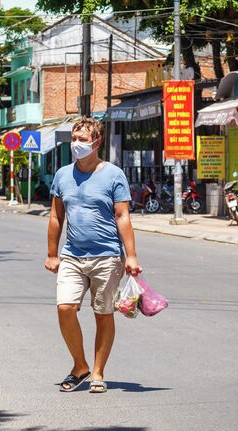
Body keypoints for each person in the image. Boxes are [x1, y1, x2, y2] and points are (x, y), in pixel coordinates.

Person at [44, 117, 142, 394]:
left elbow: (122, 216)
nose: (76, 144)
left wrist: (131, 256)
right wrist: (52, 254)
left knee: (103, 314)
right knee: (65, 308)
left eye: (82, 140)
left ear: (96, 142)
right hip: (72, 255)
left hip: (108, 256)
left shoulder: (113, 175)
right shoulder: (63, 175)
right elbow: (55, 216)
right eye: (74, 139)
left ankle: (97, 371)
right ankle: (80, 365)